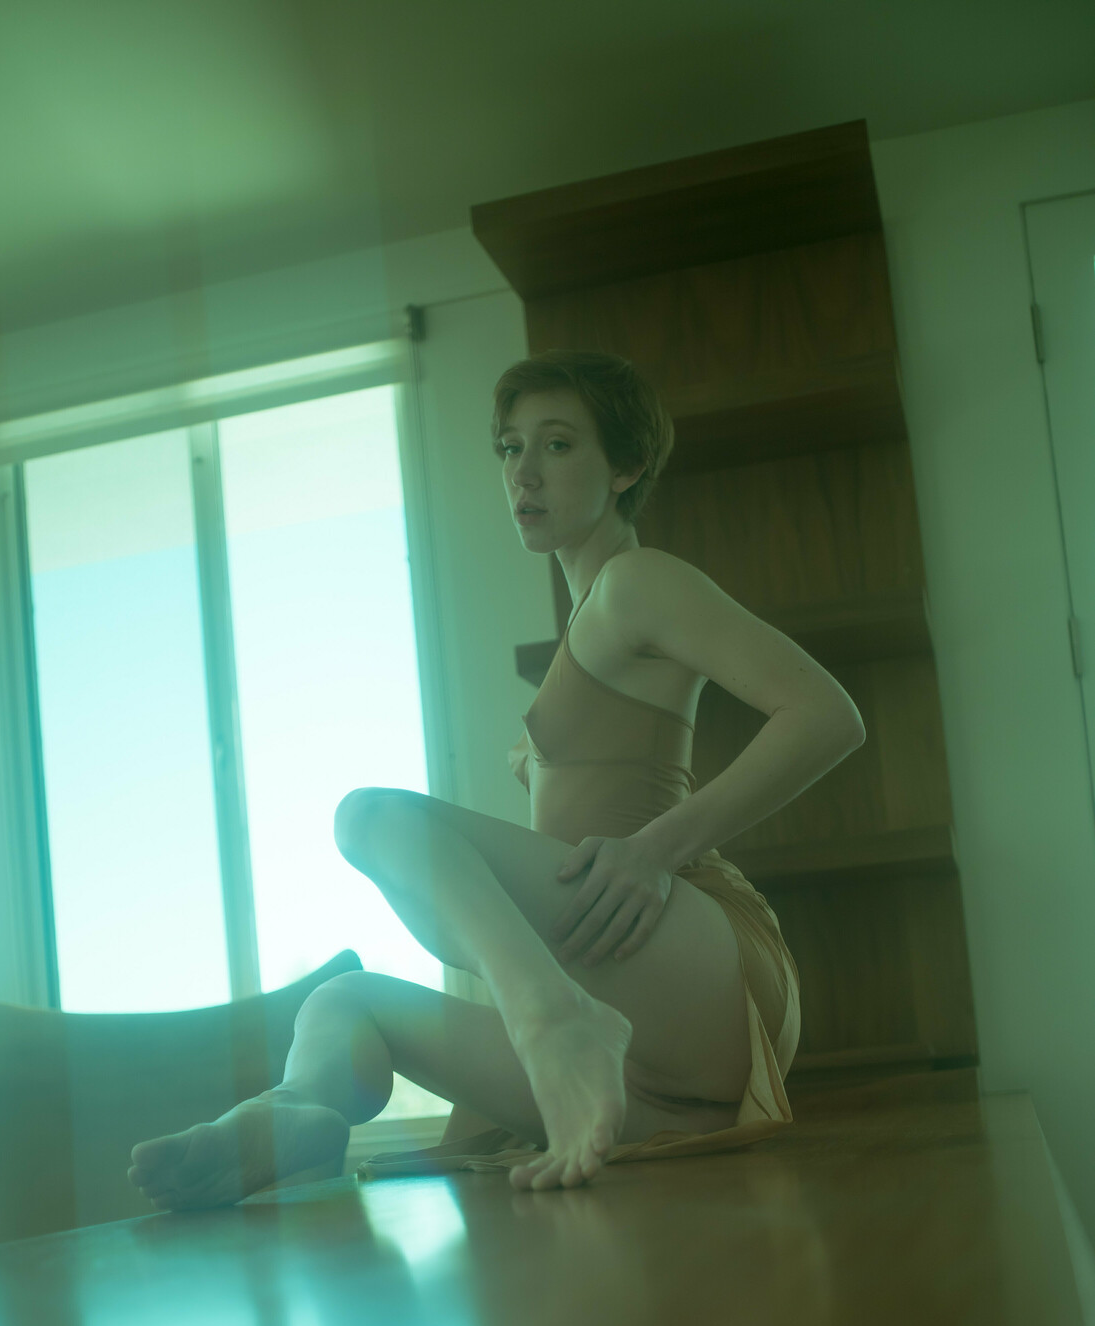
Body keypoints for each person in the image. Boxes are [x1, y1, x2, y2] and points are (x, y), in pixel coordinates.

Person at [128, 348, 864, 1207]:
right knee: (343, 1001)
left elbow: (826, 715)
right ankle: (297, 1110)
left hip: (693, 963)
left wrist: (654, 850)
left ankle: (548, 1019)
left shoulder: (635, 582)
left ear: (626, 467)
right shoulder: (590, 615)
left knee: (369, 817)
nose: (523, 471)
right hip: (654, 1068)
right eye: (510, 448)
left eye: (557, 445)